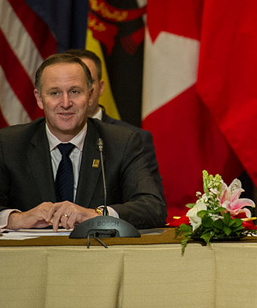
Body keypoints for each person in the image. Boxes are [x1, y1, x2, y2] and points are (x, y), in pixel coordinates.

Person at [0, 53, 166, 231]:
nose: (65, 103)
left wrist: (95, 214)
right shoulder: (9, 143)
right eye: (55, 93)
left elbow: (153, 208)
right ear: (39, 98)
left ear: (90, 95)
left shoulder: (122, 142)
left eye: (75, 92)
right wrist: (16, 219)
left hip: (99, 256)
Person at [65, 48, 164, 202]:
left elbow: (151, 207)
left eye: (87, 82)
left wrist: (100, 215)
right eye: (69, 85)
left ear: (101, 87)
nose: (76, 91)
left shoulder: (132, 139)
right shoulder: (27, 138)